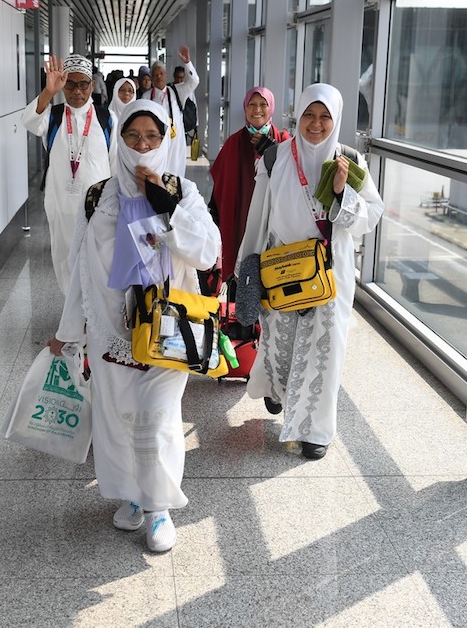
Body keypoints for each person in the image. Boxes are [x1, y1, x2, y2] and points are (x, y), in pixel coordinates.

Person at [47, 100, 220, 552]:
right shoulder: (98, 196)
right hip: (110, 333)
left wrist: (165, 205)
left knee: (158, 420)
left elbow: (208, 251)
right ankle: (131, 495)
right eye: (133, 136)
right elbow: (80, 268)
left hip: (168, 329)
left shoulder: (182, 190)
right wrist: (69, 332)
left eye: (152, 137)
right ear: (119, 139)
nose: (143, 146)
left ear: (166, 141)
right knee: (116, 421)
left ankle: (158, 506)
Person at [236, 83, 384, 460]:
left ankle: (316, 431)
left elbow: (372, 215)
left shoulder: (348, 161)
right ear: (297, 115)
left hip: (329, 273)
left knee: (326, 350)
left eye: (325, 117)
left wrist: (341, 194)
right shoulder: (275, 158)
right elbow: (258, 215)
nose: (316, 124)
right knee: (281, 343)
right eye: (309, 115)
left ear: (336, 120)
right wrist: (245, 267)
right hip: (282, 268)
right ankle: (278, 391)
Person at [22, 54, 117, 293]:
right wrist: (48, 92)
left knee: (98, 261)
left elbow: (115, 163)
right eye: (70, 84)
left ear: (92, 85)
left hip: (99, 208)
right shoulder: (53, 116)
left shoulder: (107, 119)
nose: (77, 90)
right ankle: (72, 318)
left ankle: (92, 318)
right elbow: (28, 121)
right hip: (61, 205)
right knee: (64, 261)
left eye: (83, 83)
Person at [209, 86, 291, 281]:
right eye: (252, 105)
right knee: (241, 274)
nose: (257, 110)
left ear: (271, 108)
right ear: (245, 109)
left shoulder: (283, 141)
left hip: (273, 217)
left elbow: (292, 176)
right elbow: (220, 184)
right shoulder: (233, 143)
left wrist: (274, 151)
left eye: (263, 104)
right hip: (242, 217)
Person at [139, 47, 199, 176]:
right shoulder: (146, 97)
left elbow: (194, 81)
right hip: (154, 142)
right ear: (152, 79)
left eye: (161, 74)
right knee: (156, 173)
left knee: (175, 173)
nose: (158, 77)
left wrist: (187, 63)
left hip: (175, 141)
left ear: (166, 76)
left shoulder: (177, 91)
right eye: (155, 75)